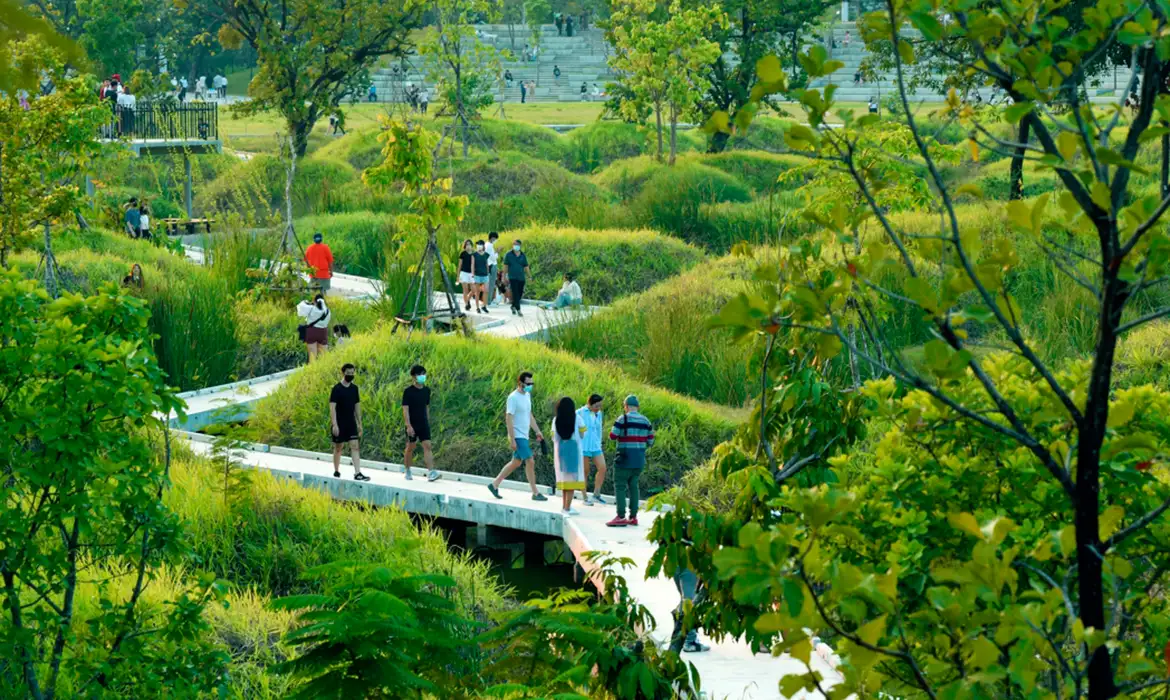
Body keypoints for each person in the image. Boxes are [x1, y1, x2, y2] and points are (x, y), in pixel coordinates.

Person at [487, 372, 547, 501]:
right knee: (530, 461)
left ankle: (494, 484)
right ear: (520, 383)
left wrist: (537, 430)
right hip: (517, 435)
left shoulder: (527, 396)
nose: (530, 386)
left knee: (516, 462)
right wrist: (512, 438)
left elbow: (529, 415)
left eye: (532, 383)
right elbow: (509, 418)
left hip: (524, 434)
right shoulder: (513, 398)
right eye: (528, 383)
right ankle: (535, 492)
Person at [606, 395, 655, 527]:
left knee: (620, 486)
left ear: (626, 406)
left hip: (624, 459)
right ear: (638, 407)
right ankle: (633, 517)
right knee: (634, 486)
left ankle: (621, 516)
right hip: (639, 460)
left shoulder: (623, 419)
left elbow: (612, 436)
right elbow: (651, 441)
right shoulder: (646, 421)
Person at [330, 363, 370, 482]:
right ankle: (336, 470)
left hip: (351, 422)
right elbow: (332, 407)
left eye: (352, 373)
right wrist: (334, 424)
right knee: (339, 447)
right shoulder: (336, 389)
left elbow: (357, 406)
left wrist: (359, 423)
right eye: (348, 373)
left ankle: (357, 472)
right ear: (343, 373)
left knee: (355, 446)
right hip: (340, 422)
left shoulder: (354, 389)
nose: (350, 375)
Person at [402, 364, 441, 482]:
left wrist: (427, 421)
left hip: (423, 423)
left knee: (427, 446)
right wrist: (408, 425)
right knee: (410, 447)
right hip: (412, 424)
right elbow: (405, 409)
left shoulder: (426, 390)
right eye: (419, 374)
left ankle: (431, 472)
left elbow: (426, 407)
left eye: (423, 374)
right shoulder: (408, 391)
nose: (422, 376)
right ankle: (407, 469)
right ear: (413, 377)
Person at [552, 396, 585, 516]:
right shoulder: (577, 418)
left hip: (561, 449)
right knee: (571, 478)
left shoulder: (556, 420)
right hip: (573, 449)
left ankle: (564, 506)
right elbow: (582, 434)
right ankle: (567, 508)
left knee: (564, 477)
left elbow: (554, 437)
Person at [670, 568, 710, 653]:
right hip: (688, 567)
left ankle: (681, 633)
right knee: (689, 603)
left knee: (685, 600)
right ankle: (689, 641)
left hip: (677, 564)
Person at [576, 394, 607, 505]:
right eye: (596, 405)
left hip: (595, 445)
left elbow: (599, 429)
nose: (598, 408)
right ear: (590, 403)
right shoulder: (579, 412)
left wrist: (599, 442)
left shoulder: (599, 414)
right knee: (585, 471)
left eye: (600, 406)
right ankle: (584, 498)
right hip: (583, 446)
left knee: (602, 468)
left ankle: (596, 494)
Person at [297, 294, 331, 362]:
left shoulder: (311, 308)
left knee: (312, 357)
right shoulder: (327, 311)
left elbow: (300, 309)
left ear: (314, 300)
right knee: (323, 357)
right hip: (323, 332)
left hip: (312, 332)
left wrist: (306, 301)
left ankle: (311, 371)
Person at [503, 239, 529, 316]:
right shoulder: (508, 254)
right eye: (514, 244)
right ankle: (519, 310)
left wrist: (529, 276)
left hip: (521, 277)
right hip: (512, 277)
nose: (515, 246)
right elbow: (505, 266)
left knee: (520, 293)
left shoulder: (523, 255)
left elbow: (526, 266)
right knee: (515, 293)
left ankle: (513, 306)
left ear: (520, 246)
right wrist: (504, 276)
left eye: (517, 244)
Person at [473, 239, 491, 314]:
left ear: (483, 246)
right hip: (477, 275)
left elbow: (487, 264)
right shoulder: (474, 254)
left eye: (480, 244)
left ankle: (484, 306)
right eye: (478, 244)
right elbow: (472, 265)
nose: (479, 246)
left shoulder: (486, 254)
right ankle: (477, 307)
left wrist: (488, 272)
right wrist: (472, 274)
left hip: (485, 275)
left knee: (486, 290)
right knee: (477, 292)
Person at [458, 239, 476, 311]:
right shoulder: (463, 254)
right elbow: (460, 265)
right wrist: (458, 275)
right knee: (465, 290)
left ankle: (467, 299)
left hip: (471, 273)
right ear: (465, 246)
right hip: (463, 273)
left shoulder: (474, 254)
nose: (468, 246)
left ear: (472, 245)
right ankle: (466, 304)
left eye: (469, 244)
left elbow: (474, 265)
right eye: (467, 244)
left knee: (474, 290)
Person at [485, 231, 501, 306]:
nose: (496, 240)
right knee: (491, 284)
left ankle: (488, 301)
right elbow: (493, 258)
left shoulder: (486, 244)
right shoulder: (489, 246)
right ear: (492, 238)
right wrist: (498, 252)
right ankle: (489, 302)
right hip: (491, 266)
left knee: (490, 284)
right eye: (495, 239)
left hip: (489, 266)